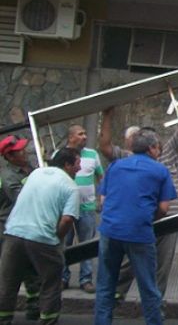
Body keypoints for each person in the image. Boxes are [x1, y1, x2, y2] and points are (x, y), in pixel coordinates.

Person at [98, 89, 178, 306]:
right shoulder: (127, 158)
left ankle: (154, 303)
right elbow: (105, 147)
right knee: (133, 260)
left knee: (162, 264)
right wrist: (107, 116)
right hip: (142, 219)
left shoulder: (167, 152)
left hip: (170, 217)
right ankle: (117, 294)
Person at [94, 129, 177, 325]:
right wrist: (147, 217)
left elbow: (104, 201)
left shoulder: (115, 166)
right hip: (139, 232)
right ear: (151, 148)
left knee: (105, 286)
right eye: (158, 148)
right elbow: (164, 208)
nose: (160, 151)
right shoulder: (160, 170)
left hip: (109, 231)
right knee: (148, 288)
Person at [0, 147, 81, 325]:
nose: (80, 168)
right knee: (51, 281)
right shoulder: (71, 187)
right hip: (43, 238)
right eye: (77, 164)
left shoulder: (36, 174)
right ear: (67, 165)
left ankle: (3, 319)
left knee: (8, 282)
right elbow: (67, 220)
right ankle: (47, 320)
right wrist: (56, 238)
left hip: (14, 232)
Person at [0, 135, 41, 319]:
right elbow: (21, 200)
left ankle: (34, 307)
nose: (25, 152)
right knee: (10, 274)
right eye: (19, 151)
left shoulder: (30, 168)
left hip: (27, 226)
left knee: (32, 269)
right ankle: (5, 315)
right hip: (9, 229)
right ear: (9, 157)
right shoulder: (8, 176)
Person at [60, 125, 104, 293]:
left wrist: (102, 197)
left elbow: (101, 177)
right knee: (65, 243)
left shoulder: (93, 154)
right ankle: (63, 278)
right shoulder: (60, 155)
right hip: (66, 209)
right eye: (80, 134)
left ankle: (85, 279)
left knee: (87, 244)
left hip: (87, 208)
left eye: (85, 133)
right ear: (71, 137)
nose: (85, 136)